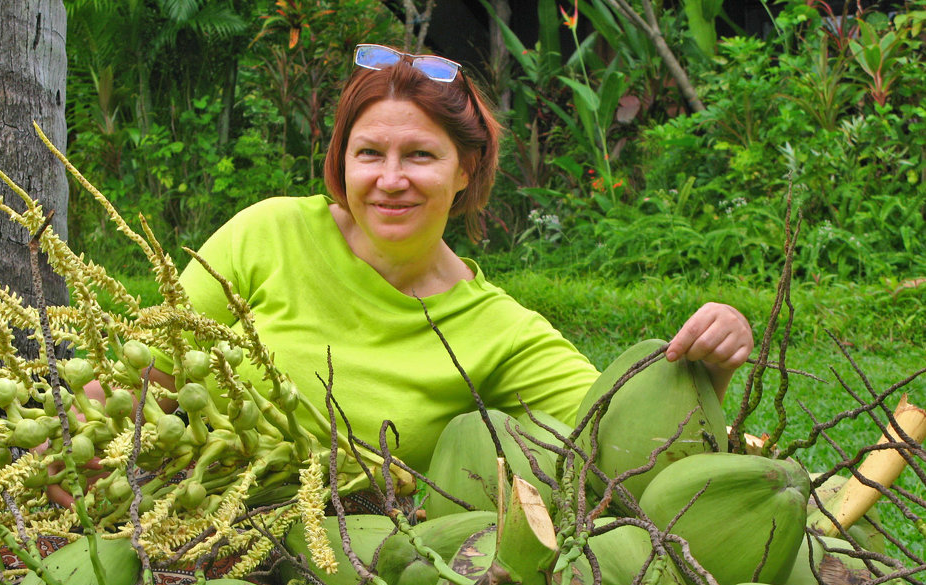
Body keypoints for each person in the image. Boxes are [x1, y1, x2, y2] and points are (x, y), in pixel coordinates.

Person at [52, 43, 752, 504]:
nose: (390, 180)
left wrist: (706, 369)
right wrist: (70, 458)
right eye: (368, 154)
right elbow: (135, 380)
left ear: (465, 168)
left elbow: (616, 438)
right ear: (342, 161)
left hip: (350, 568)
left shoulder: (496, 329)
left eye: (419, 155)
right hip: (184, 524)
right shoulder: (266, 234)